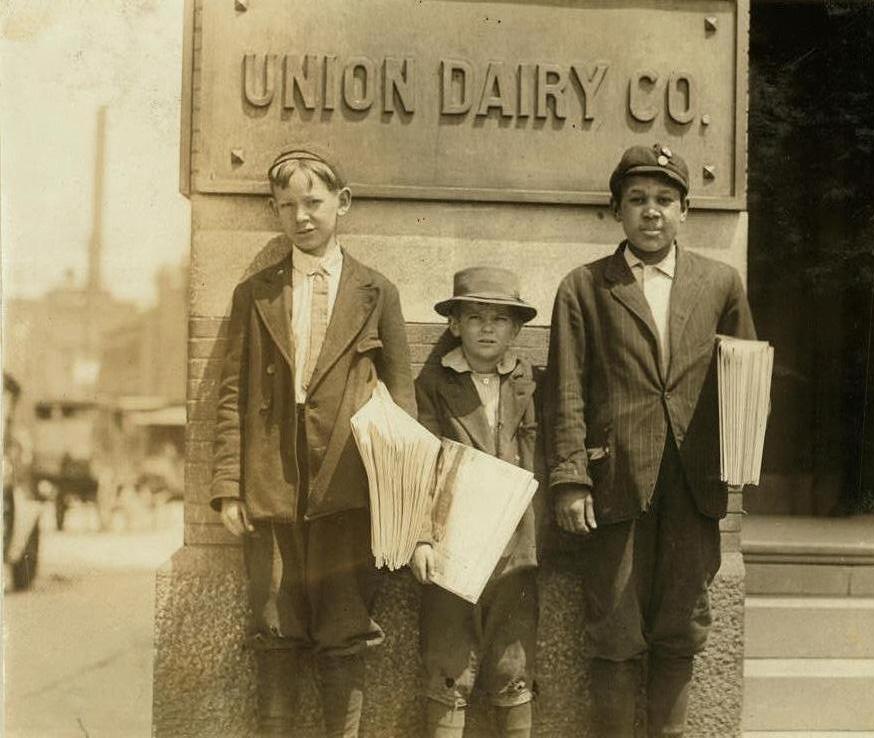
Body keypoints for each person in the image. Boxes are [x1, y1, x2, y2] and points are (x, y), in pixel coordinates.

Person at [544, 144, 756, 737]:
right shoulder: (584, 287)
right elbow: (565, 389)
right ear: (617, 211)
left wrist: (738, 455)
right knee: (614, 628)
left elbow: (745, 376)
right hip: (615, 486)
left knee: (680, 628)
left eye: (665, 199)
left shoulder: (720, 283)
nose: (651, 211)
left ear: (686, 210)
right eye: (637, 200)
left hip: (694, 485)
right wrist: (569, 479)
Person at [210, 145, 416, 737]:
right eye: (286, 206)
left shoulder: (378, 292)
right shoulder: (255, 295)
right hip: (272, 490)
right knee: (275, 629)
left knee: (345, 631)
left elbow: (403, 400)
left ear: (342, 204)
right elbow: (231, 394)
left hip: (349, 493)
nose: (301, 217)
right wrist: (228, 487)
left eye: (314, 202)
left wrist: (404, 502)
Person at [410, 266, 543, 738]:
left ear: (516, 329)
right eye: (475, 318)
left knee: (513, 660)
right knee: (448, 660)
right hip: (454, 547)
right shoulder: (433, 385)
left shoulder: (531, 384)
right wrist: (422, 536)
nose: (487, 328)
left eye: (499, 319)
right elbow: (421, 464)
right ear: (454, 326)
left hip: (515, 550)